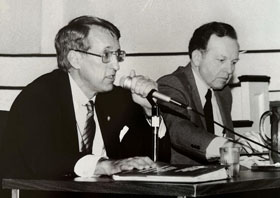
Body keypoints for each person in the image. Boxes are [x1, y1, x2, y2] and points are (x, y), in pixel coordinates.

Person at [1, 15, 169, 184]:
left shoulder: (118, 99)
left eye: (117, 55)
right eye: (106, 55)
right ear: (75, 59)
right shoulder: (39, 97)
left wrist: (149, 111)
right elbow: (42, 160)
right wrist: (102, 165)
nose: (116, 66)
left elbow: (152, 163)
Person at [157, 22, 241, 165]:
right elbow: (179, 130)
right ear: (197, 57)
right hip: (183, 182)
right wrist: (223, 146)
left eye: (233, 62)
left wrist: (244, 145)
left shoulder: (224, 93)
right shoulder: (172, 84)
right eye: (221, 60)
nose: (229, 70)